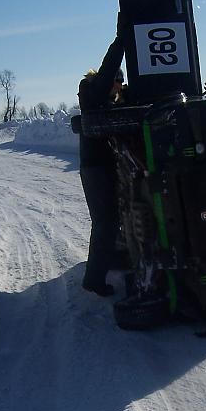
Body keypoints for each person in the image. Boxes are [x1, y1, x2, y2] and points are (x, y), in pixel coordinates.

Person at [77, 20, 126, 296]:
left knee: (111, 220)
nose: (119, 89)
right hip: (96, 169)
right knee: (105, 222)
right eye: (117, 83)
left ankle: (109, 260)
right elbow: (107, 70)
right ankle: (94, 279)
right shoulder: (91, 92)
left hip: (102, 167)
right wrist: (120, 40)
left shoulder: (105, 102)